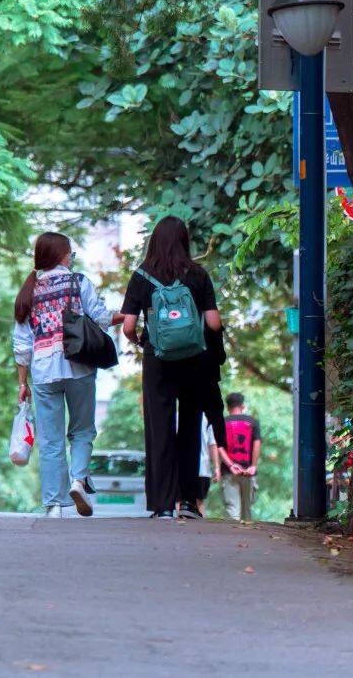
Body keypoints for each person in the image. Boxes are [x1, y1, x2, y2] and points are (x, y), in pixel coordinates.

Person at [120, 215, 224, 521]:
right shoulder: (198, 274)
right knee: (191, 425)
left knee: (159, 428)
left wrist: (141, 341)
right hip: (194, 360)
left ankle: (162, 505)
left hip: (158, 359)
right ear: (184, 241)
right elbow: (213, 322)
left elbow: (128, 325)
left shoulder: (142, 275)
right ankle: (189, 502)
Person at [13, 230, 122, 519]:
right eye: (70, 252)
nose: (72, 257)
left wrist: (22, 383)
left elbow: (22, 344)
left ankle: (54, 505)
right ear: (62, 255)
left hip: (42, 373)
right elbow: (101, 316)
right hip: (78, 366)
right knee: (82, 430)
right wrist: (129, 315)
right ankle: (78, 480)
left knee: (51, 439)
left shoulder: (29, 291)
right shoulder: (78, 282)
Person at [221, 391, 262, 522]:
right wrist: (253, 466)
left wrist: (231, 465)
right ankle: (246, 534)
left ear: (228, 407)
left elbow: (219, 447)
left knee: (232, 509)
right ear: (243, 406)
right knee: (247, 510)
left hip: (229, 472)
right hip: (248, 472)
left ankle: (232, 534)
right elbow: (257, 444)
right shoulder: (253, 422)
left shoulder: (223, 422)